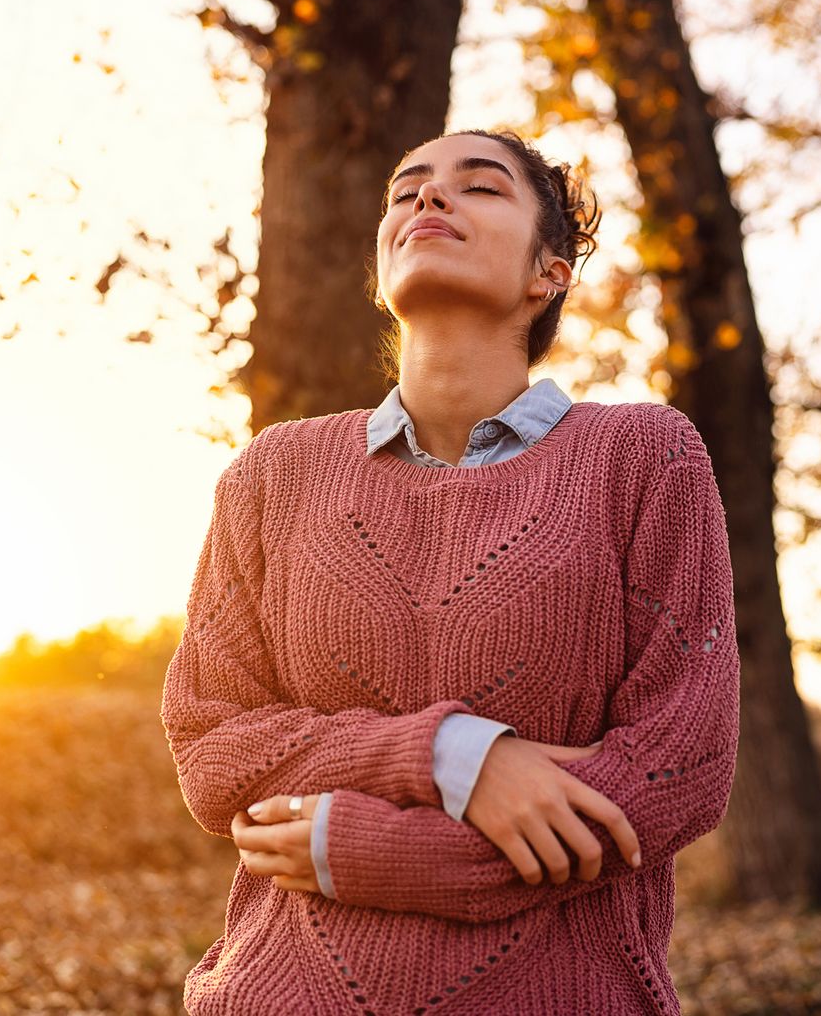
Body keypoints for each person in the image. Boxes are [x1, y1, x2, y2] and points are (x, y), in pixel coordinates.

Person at [161, 128, 740, 1016]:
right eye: (407, 190)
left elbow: (680, 766)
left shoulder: (644, 458)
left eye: (480, 187)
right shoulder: (274, 473)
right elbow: (215, 748)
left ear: (550, 272)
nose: (429, 200)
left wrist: (372, 852)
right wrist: (451, 755)